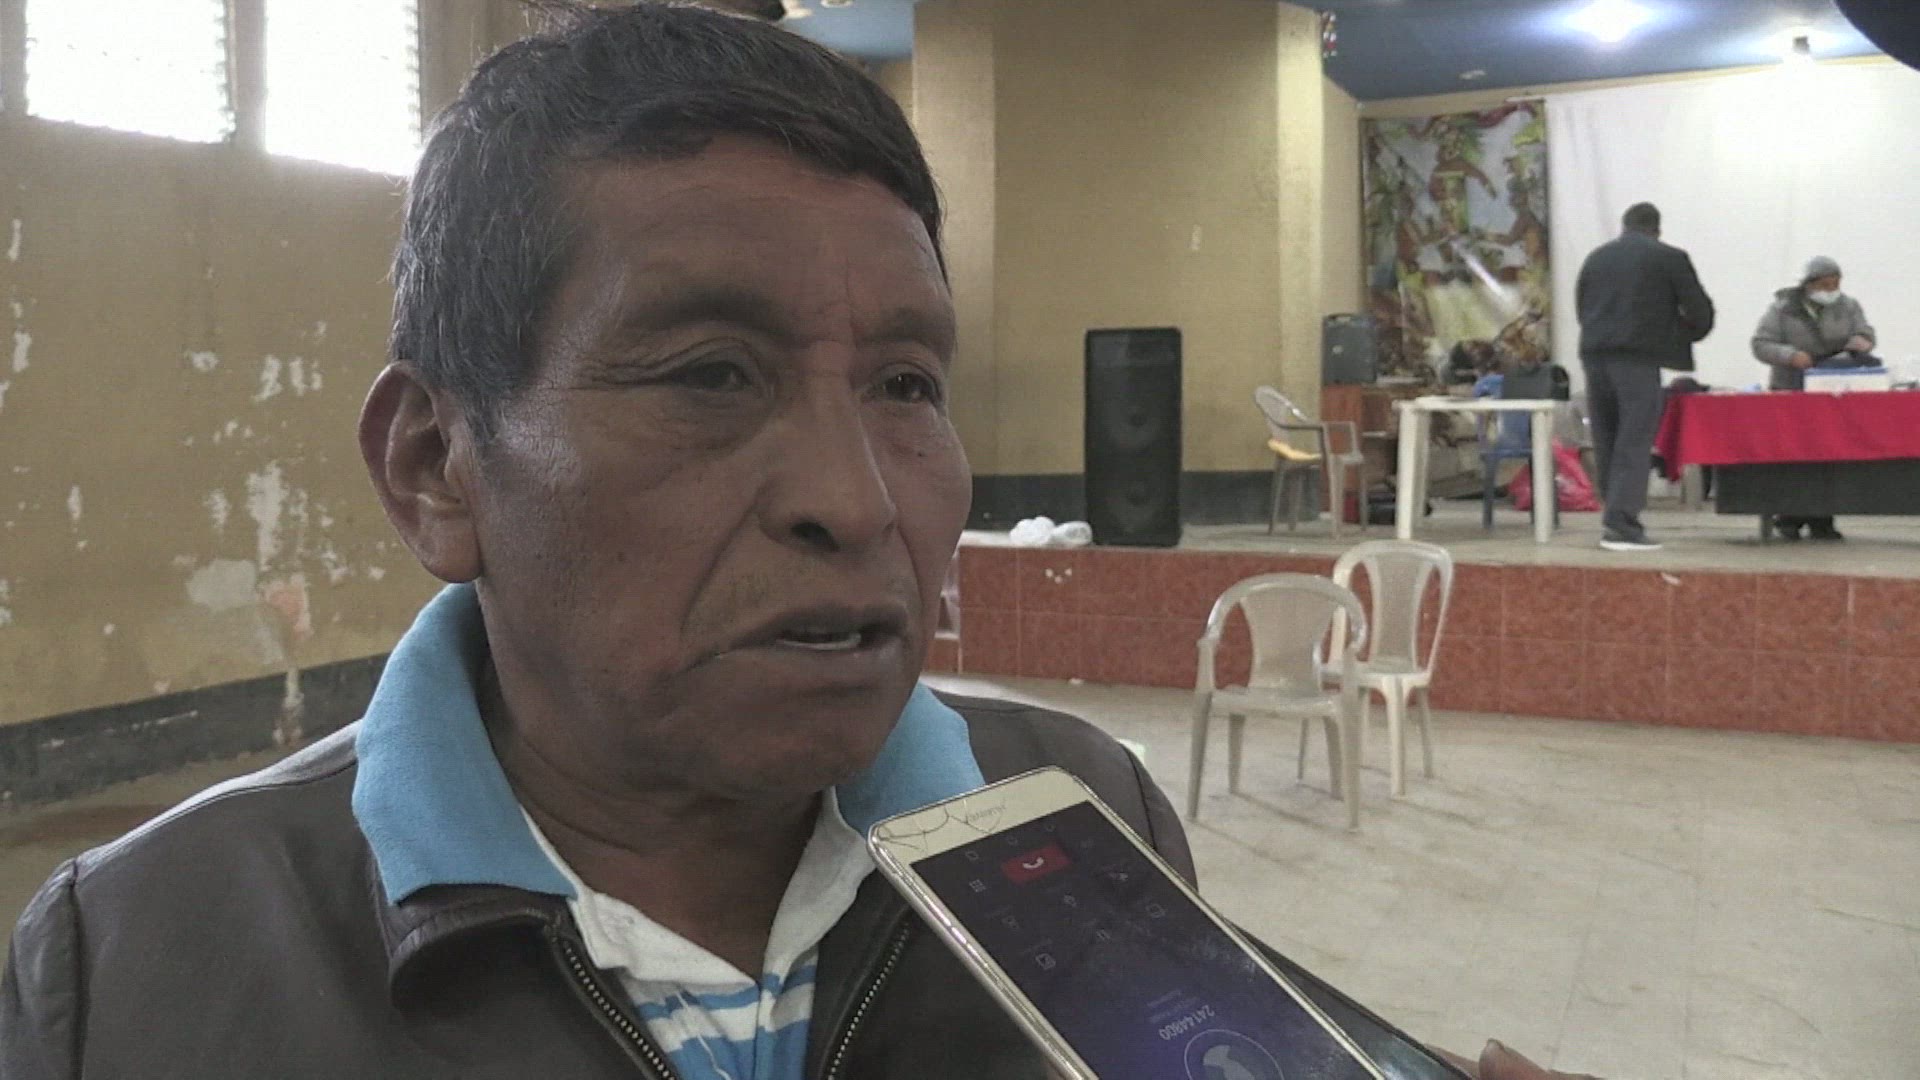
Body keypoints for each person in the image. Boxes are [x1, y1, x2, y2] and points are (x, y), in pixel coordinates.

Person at [0, 6, 1594, 1079]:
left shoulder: (1076, 815)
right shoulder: (133, 968)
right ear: (434, 467)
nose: (858, 497)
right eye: (710, 376)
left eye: (906, 385)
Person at [1575, 202, 1715, 553]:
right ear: (1656, 229)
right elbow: (1701, 313)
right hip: (1637, 360)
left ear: (1624, 226)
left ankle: (1612, 516)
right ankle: (1622, 526)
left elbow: (1582, 307)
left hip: (1594, 356)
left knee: (1606, 439)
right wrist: (1677, 335)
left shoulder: (1596, 258)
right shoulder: (1670, 258)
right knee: (1634, 440)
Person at [1751, 255, 1878, 541]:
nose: (1831, 290)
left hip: (1833, 390)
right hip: (1792, 388)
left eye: (1836, 284)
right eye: (1825, 285)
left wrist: (1863, 341)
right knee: (1794, 454)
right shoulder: (1783, 309)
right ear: (1809, 284)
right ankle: (1789, 518)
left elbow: (1866, 331)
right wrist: (1790, 355)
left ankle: (1823, 519)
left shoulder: (1848, 306)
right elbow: (1760, 344)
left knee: (1828, 454)